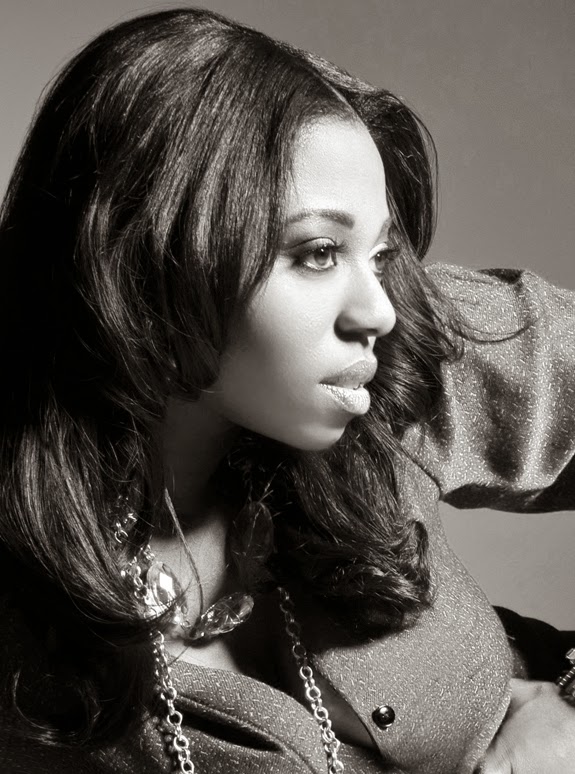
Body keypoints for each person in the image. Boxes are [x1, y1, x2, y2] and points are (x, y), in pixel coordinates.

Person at [0, 7, 573, 774]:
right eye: (318, 252)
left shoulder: (390, 363)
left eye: (379, 254)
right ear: (144, 262)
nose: (376, 309)